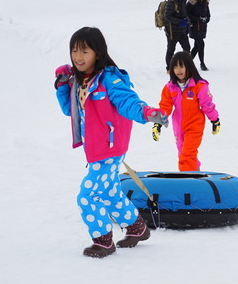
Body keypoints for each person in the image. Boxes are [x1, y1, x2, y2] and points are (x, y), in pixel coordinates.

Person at [54, 27, 168, 258]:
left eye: (84, 51)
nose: (78, 57)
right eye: (74, 51)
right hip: (97, 147)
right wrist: (62, 86)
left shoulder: (109, 79)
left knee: (88, 195)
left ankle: (103, 241)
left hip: (109, 148)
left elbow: (127, 101)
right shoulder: (80, 81)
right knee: (109, 192)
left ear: (97, 52)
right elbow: (70, 110)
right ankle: (137, 228)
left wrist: (147, 113)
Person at [152, 51, 220, 171]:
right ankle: (195, 174)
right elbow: (165, 106)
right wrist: (158, 123)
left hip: (195, 124)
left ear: (189, 66)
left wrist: (215, 120)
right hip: (178, 125)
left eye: (181, 66)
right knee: (182, 153)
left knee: (187, 154)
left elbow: (207, 105)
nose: (178, 70)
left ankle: (187, 180)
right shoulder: (170, 87)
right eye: (175, 66)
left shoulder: (199, 85)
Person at [164, 0, 191, 72]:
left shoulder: (183, 1)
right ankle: (169, 68)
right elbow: (167, 16)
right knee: (171, 50)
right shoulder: (172, 3)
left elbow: (183, 13)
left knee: (187, 48)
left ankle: (186, 65)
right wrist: (179, 22)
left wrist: (187, 21)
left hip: (182, 31)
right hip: (172, 31)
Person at [187, 0, 211, 71]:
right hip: (194, 27)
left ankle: (188, 62)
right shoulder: (192, 2)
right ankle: (202, 64)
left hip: (202, 27)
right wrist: (198, 19)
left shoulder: (205, 1)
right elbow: (187, 14)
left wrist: (206, 19)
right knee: (201, 44)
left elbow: (208, 13)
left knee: (197, 46)